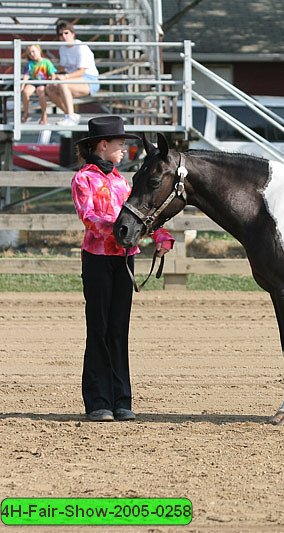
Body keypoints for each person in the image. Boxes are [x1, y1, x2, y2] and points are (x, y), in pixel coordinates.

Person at [72, 116, 174, 422]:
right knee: (99, 328)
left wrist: (160, 235)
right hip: (98, 258)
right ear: (104, 145)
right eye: (120, 145)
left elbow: (137, 215)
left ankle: (121, 399)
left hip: (123, 258)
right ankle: (98, 401)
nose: (123, 150)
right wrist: (118, 230)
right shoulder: (83, 179)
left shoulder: (121, 182)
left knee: (119, 329)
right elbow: (89, 217)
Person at [47, 19, 100, 126]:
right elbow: (63, 67)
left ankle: (70, 117)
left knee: (63, 84)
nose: (64, 36)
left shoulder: (81, 47)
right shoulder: (62, 48)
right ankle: (70, 115)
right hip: (72, 80)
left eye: (66, 33)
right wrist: (52, 73)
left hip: (89, 80)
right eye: (61, 34)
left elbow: (81, 71)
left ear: (73, 34)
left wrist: (64, 77)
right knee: (49, 88)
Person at [21, 44, 57, 124]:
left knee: (41, 92)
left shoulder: (46, 62)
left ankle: (44, 114)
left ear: (39, 50)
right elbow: (26, 75)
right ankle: (26, 112)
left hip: (43, 83)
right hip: (33, 82)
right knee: (25, 92)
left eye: (33, 51)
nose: (32, 54)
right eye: (29, 53)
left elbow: (52, 74)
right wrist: (22, 85)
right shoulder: (30, 64)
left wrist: (51, 84)